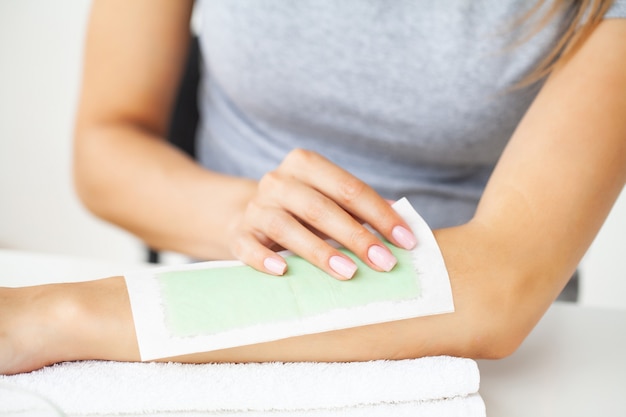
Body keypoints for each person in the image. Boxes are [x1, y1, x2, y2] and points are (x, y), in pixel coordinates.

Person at [1, 0, 625, 375]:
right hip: (226, 309)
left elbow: (501, 286)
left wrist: (58, 314)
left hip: (501, 364)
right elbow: (106, 145)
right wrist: (245, 219)